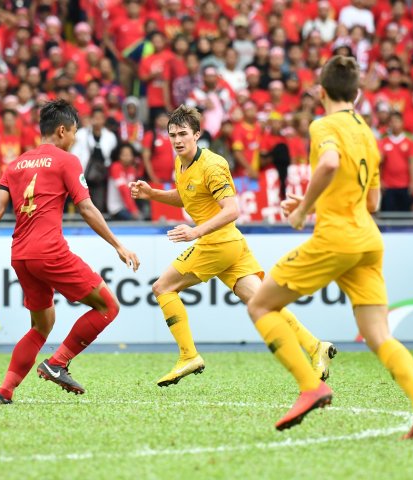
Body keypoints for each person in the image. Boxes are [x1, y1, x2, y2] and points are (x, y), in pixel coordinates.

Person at [245, 56, 413, 438]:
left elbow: (330, 164)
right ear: (358, 92)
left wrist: (303, 209)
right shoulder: (366, 131)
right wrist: (313, 200)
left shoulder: (324, 124)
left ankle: (310, 385)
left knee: (261, 304)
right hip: (368, 240)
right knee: (379, 336)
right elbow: (372, 203)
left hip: (336, 238)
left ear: (321, 92)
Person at [129, 105, 334, 387]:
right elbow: (186, 196)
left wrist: (195, 232)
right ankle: (315, 347)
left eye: (183, 134)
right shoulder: (181, 162)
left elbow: (232, 209)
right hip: (231, 244)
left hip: (217, 242)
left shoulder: (212, 165)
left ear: (197, 134)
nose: (177, 140)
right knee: (263, 302)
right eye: (173, 134)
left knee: (162, 287)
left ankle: (188, 355)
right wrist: (153, 193)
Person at [0, 100, 140, 404]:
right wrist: (118, 244)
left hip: (21, 255)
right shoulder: (66, 161)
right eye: (73, 133)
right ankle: (58, 362)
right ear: (61, 131)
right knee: (108, 306)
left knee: (41, 325)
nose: (74, 139)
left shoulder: (15, 164)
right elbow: (85, 207)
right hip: (50, 251)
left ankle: (4, 391)